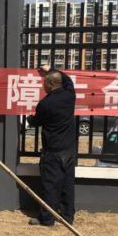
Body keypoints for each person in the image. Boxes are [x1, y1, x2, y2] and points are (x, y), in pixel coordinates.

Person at [27, 70, 77, 226]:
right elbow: (68, 80)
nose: (43, 86)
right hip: (69, 150)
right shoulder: (70, 96)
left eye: (44, 82)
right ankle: (68, 217)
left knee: (50, 185)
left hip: (53, 151)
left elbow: (37, 122)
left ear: (50, 84)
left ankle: (47, 218)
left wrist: (29, 118)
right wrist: (51, 69)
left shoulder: (45, 103)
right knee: (67, 185)